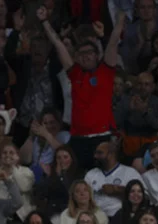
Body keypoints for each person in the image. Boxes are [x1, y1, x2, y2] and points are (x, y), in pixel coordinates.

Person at [39, 6, 126, 170]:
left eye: (89, 52)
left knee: (103, 175)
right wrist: (44, 21)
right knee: (77, 179)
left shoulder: (105, 71)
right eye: (82, 53)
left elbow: (114, 41)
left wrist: (120, 18)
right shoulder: (75, 73)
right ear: (77, 57)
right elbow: (58, 44)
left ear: (96, 55)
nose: (86, 56)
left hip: (102, 137)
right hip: (78, 138)